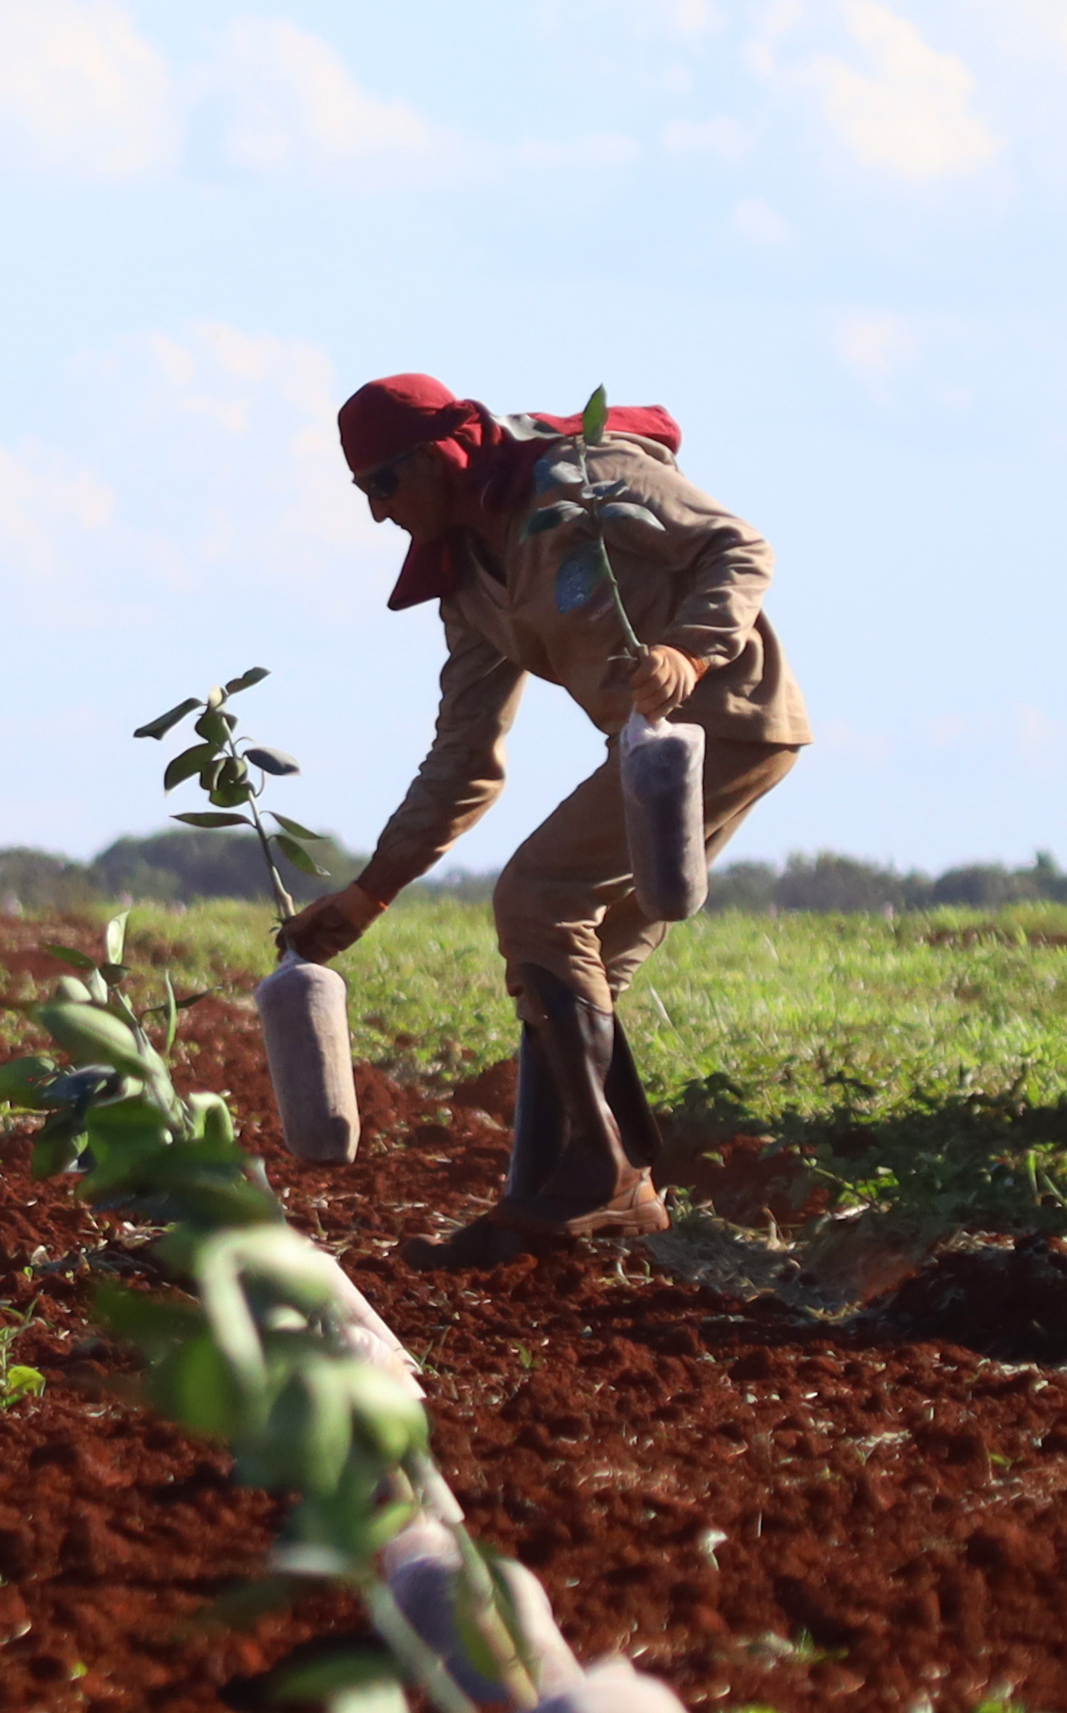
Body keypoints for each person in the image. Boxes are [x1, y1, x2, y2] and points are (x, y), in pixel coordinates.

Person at [278, 378, 804, 1266]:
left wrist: (688, 649)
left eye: (382, 486)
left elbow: (738, 547)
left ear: (439, 454)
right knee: (563, 965)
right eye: (362, 493)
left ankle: (600, 1179)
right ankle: (558, 1205)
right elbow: (463, 760)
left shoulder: (582, 479)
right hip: (649, 756)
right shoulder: (470, 587)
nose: (377, 516)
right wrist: (372, 893)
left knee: (537, 900)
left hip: (720, 724)